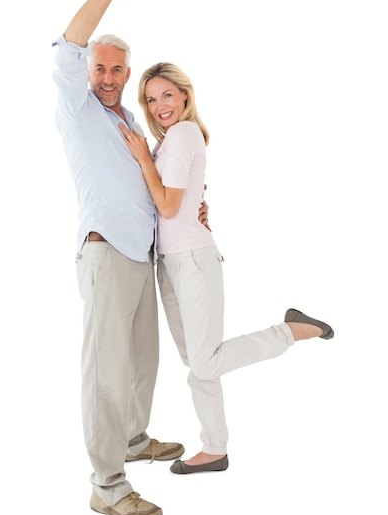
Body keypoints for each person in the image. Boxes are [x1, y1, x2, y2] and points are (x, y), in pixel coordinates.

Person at [51, 0, 210, 515]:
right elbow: (67, 46)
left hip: (143, 255)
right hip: (105, 250)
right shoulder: (78, 108)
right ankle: (107, 485)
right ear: (89, 70)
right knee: (107, 370)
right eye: (101, 67)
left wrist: (194, 203)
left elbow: (159, 183)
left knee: (144, 360)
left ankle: (133, 440)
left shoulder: (133, 125)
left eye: (119, 68)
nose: (110, 76)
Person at [119, 62, 335, 475]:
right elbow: (174, 203)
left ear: (185, 94)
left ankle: (291, 331)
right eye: (150, 99)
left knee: (205, 362)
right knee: (198, 360)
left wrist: (143, 158)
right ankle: (214, 448)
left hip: (193, 261)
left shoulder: (182, 134)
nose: (159, 105)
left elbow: (166, 204)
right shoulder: (169, 142)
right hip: (170, 261)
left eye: (167, 94)